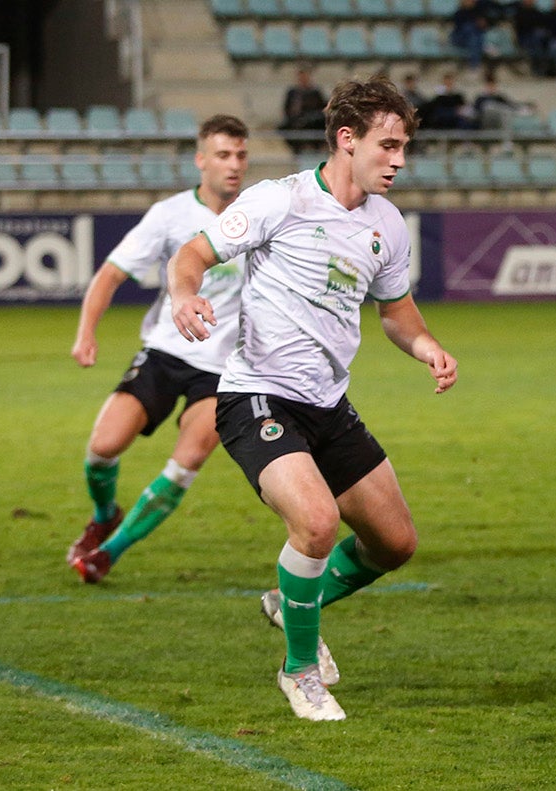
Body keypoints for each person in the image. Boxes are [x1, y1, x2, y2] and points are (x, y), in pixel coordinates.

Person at [167, 76, 458, 721]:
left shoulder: (387, 224)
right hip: (257, 398)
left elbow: (397, 315)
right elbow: (193, 253)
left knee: (396, 544)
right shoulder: (281, 201)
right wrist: (186, 293)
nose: (399, 160)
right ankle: (300, 671)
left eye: (404, 146)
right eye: (387, 145)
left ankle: (289, 600)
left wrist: (427, 347)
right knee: (318, 524)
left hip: (328, 405)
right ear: (347, 141)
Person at [65, 115, 250, 584]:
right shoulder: (170, 215)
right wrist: (86, 332)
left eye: (241, 155)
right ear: (201, 160)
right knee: (102, 449)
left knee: (188, 458)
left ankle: (108, 551)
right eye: (223, 155)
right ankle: (104, 513)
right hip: (166, 352)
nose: (233, 165)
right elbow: (110, 274)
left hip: (224, 368)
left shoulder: (259, 215)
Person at [280, 67, 326, 154]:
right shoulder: (293, 93)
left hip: (312, 122)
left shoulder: (315, 92)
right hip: (296, 121)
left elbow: (321, 108)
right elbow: (287, 109)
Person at [512, 0, 554, 78]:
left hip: (538, 40)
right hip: (524, 39)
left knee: (544, 40)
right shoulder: (519, 13)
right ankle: (539, 68)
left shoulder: (538, 13)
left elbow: (545, 26)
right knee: (537, 40)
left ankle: (545, 68)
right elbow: (520, 29)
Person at [450, 0, 490, 72]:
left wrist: (480, 24)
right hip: (459, 38)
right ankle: (476, 61)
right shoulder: (459, 13)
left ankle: (474, 65)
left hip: (472, 39)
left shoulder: (477, 12)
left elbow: (483, 26)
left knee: (475, 37)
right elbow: (460, 28)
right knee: (470, 29)